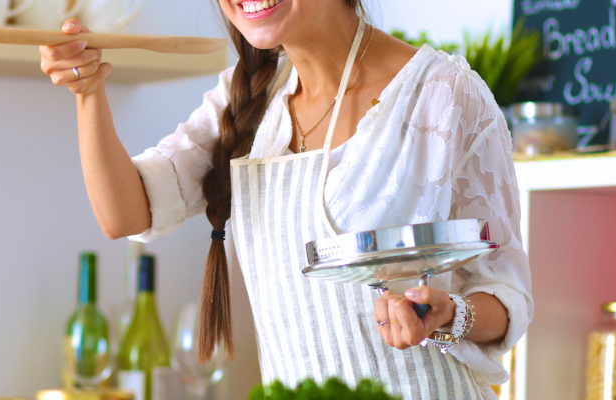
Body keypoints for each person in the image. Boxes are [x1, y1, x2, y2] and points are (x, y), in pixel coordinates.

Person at [38, 0, 533, 398]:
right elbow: (124, 213)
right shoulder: (247, 97)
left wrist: (449, 313)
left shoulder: (442, 94)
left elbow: (507, 297)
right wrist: (89, 95)